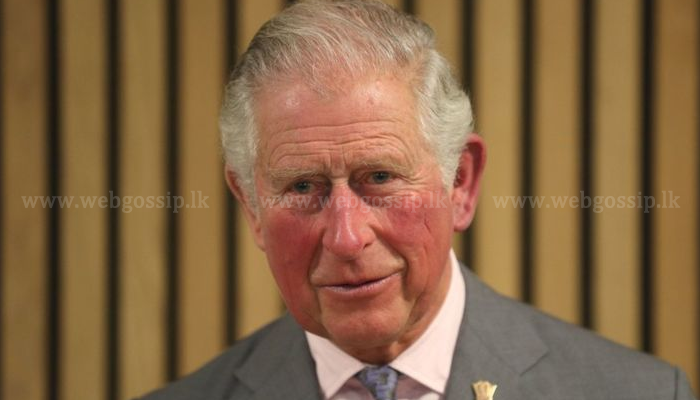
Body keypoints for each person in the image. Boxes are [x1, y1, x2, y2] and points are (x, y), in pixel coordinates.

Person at [139, 1, 696, 399]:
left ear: (461, 183)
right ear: (252, 207)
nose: (346, 238)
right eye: (303, 187)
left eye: (380, 177)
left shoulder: (640, 393)